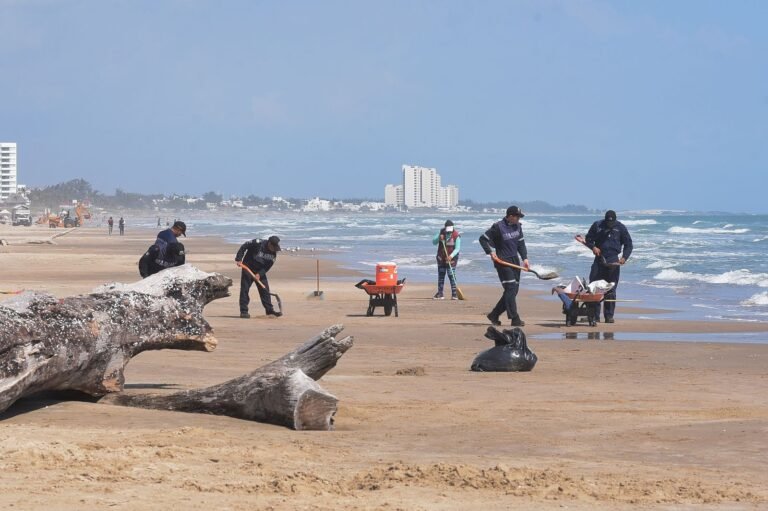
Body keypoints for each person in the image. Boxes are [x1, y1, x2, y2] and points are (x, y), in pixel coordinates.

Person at [479, 206, 530, 327]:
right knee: (511, 288)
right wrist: (491, 253)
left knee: (512, 291)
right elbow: (482, 239)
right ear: (510, 216)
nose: (518, 219)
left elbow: (521, 244)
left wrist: (525, 258)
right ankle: (515, 318)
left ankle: (494, 315)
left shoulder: (518, 226)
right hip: (502, 261)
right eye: (517, 216)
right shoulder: (498, 227)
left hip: (514, 261)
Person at [583, 210, 633, 323]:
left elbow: (629, 245)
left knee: (611, 288)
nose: (609, 224)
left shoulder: (621, 228)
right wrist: (593, 247)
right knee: (594, 287)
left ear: (615, 220)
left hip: (613, 260)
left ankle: (609, 316)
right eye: (608, 222)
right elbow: (588, 239)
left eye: (611, 222)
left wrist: (624, 257)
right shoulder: (597, 225)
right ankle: (594, 316)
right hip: (599, 258)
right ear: (605, 219)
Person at [235, 235, 282, 319]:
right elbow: (244, 246)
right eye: (274, 247)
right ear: (269, 244)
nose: (274, 250)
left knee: (265, 290)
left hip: (260, 271)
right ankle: (244, 311)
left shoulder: (273, 254)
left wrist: (260, 274)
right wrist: (239, 259)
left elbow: (268, 266)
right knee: (245, 289)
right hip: (248, 267)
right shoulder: (257, 243)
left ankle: (269, 311)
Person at [432, 220, 461, 300]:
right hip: (441, 257)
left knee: (451, 274)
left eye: (450, 231)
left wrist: (451, 256)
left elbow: (457, 249)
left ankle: (454, 294)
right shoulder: (441, 232)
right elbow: (433, 242)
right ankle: (440, 293)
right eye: (447, 231)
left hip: (452, 258)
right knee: (441, 275)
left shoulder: (456, 235)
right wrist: (439, 237)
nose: (449, 233)